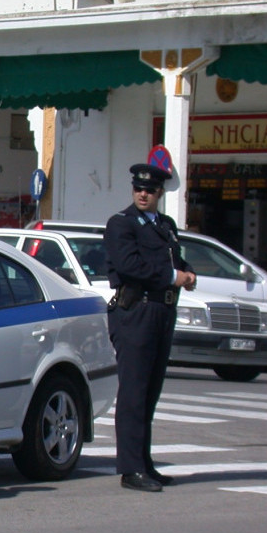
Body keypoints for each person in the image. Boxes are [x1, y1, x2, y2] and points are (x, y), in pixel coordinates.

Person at [104, 163, 198, 493]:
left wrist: (187, 273)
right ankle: (130, 469)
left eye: (150, 190)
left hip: (162, 310)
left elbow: (174, 259)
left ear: (160, 193)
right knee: (133, 392)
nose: (143, 194)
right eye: (138, 189)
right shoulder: (122, 224)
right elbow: (131, 266)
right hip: (136, 311)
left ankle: (144, 463)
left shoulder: (165, 225)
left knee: (150, 392)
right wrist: (175, 276)